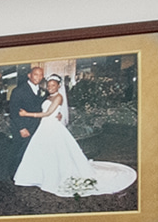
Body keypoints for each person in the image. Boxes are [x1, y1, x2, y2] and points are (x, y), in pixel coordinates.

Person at [11, 64, 135, 200]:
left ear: (58, 86)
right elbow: (14, 110)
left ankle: (49, 176)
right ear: (29, 75)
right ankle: (20, 176)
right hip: (29, 128)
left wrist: (34, 114)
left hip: (44, 126)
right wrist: (22, 127)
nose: (39, 78)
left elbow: (47, 112)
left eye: (41, 75)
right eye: (36, 75)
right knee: (26, 152)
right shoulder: (22, 91)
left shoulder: (52, 95)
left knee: (50, 152)